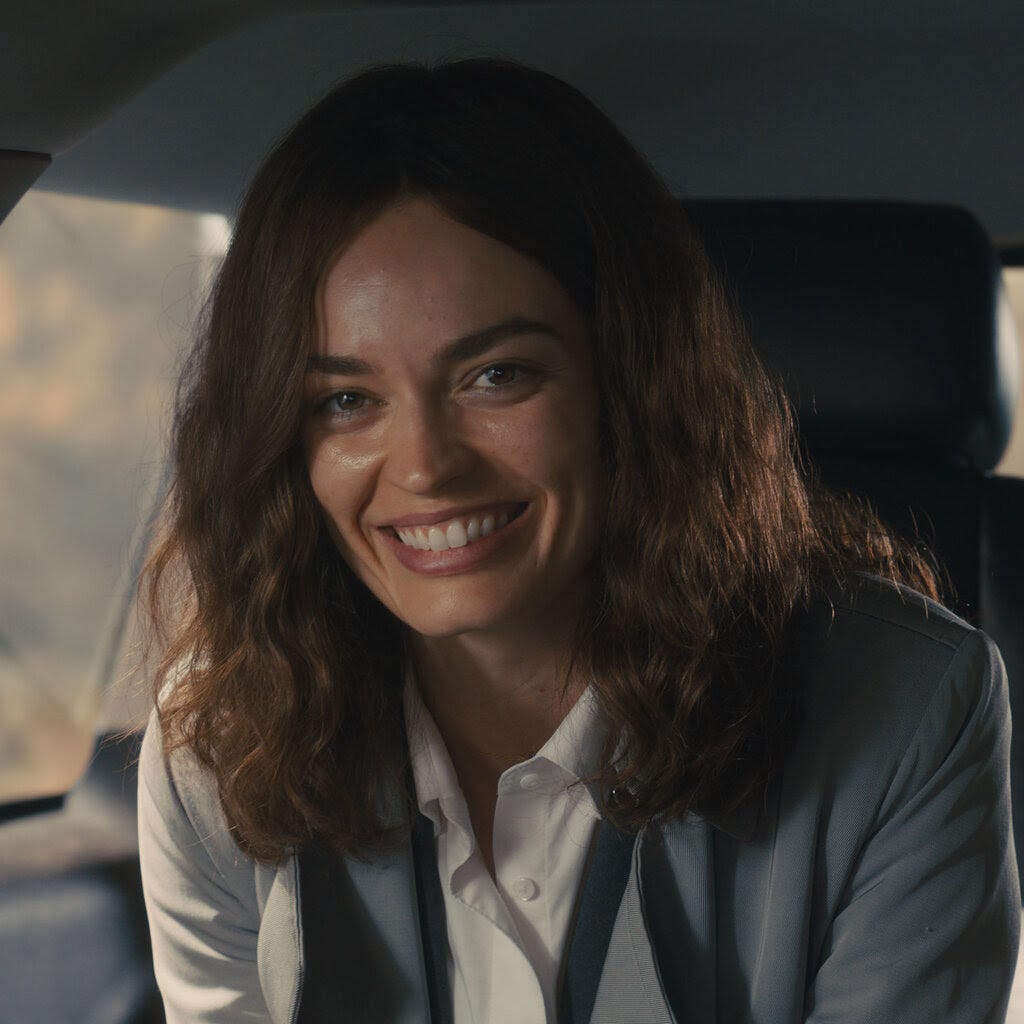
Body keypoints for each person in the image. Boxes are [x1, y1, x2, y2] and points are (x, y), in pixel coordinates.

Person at [136, 58, 1019, 1024]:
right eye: (346, 401)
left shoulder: (908, 715)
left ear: (628, 382)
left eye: (498, 376)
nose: (425, 465)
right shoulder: (222, 751)